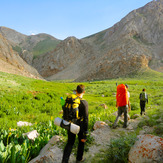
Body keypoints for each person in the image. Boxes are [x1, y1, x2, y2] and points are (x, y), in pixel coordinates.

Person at [62, 84, 88, 163]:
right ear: (84, 92)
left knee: (70, 142)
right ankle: (79, 159)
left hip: (70, 124)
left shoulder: (70, 100)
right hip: (79, 124)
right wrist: (85, 132)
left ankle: (64, 161)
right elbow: (86, 118)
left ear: (76, 91)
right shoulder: (84, 102)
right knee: (81, 141)